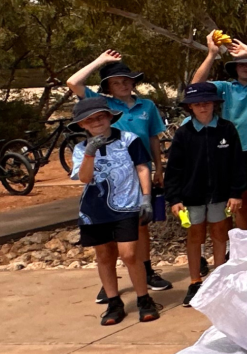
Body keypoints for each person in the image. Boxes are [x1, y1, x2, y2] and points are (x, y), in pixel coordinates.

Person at [67, 50, 171, 297]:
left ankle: (146, 271)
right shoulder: (103, 106)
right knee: (108, 227)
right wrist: (101, 61)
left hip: (139, 169)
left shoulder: (147, 105)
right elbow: (73, 82)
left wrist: (158, 168)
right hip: (108, 173)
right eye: (116, 82)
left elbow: (154, 138)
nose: (123, 85)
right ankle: (109, 282)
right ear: (108, 88)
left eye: (126, 80)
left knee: (139, 225)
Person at [69, 97, 158, 325]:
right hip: (94, 210)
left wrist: (146, 197)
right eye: (90, 119)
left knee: (129, 254)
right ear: (82, 125)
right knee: (104, 256)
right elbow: (85, 178)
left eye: (101, 116)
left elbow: (142, 168)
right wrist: (90, 153)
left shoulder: (129, 140)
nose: (97, 122)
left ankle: (143, 299)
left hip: (127, 205)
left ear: (110, 117)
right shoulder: (80, 149)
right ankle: (113, 302)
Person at [163, 82, 244, 306]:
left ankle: (218, 278)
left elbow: (238, 164)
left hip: (220, 194)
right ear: (190, 107)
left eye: (206, 103)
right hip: (192, 196)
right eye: (197, 104)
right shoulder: (184, 133)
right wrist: (175, 198)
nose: (202, 107)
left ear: (214, 104)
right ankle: (195, 281)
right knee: (195, 236)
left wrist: (236, 193)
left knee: (220, 233)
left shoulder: (227, 129)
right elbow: (174, 170)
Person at [191, 38, 247, 230]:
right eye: (241, 64)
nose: (246, 67)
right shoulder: (226, 88)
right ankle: (245, 249)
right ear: (235, 69)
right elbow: (195, 87)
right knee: (241, 201)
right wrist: (212, 54)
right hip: (233, 152)